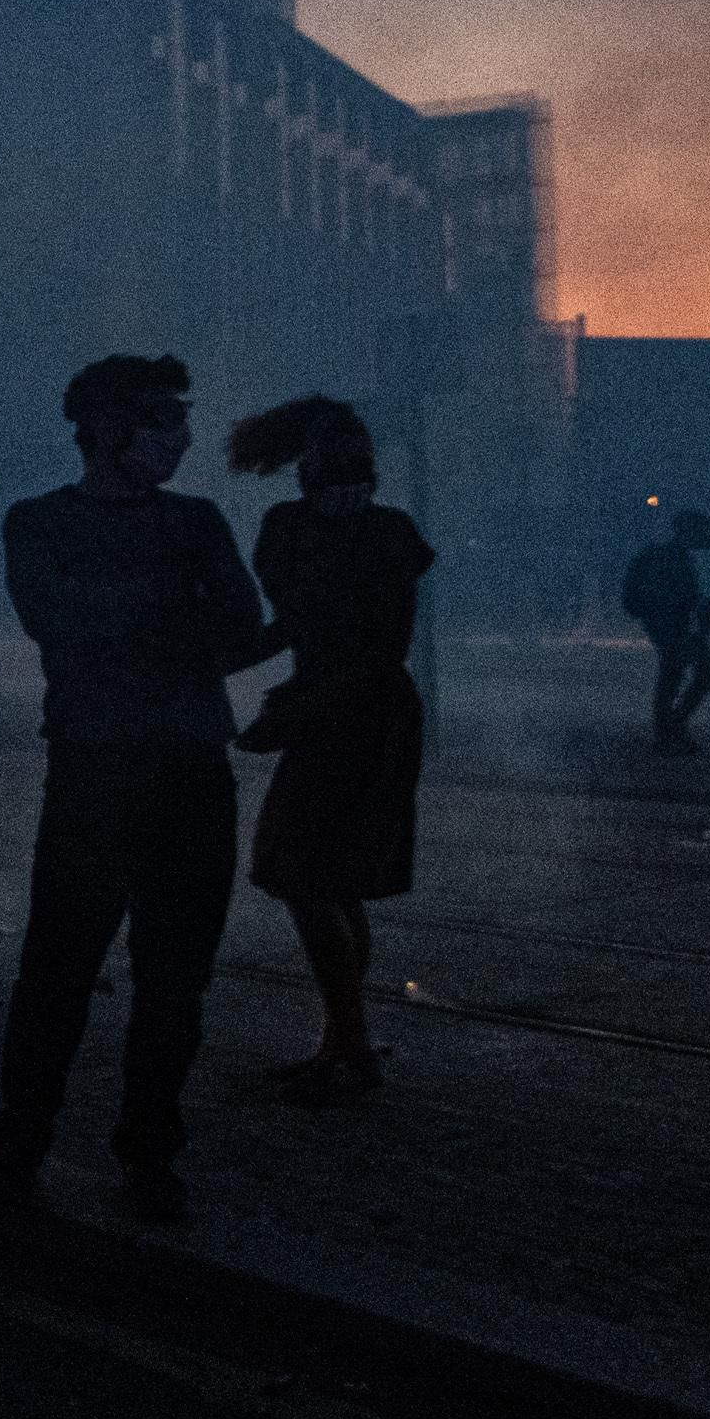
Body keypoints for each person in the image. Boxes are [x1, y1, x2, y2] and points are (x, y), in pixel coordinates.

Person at [0, 353, 272, 1225]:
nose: (175, 437)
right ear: (103, 429)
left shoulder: (186, 520)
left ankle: (139, 1151)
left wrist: (129, 617)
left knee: (172, 982)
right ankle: (25, 1143)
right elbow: (61, 619)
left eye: (176, 419)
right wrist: (173, 610)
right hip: (107, 772)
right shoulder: (47, 523)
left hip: (170, 771)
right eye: (156, 418)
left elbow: (231, 624)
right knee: (59, 972)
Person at [226, 397, 434, 1105]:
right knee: (327, 877)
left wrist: (289, 708)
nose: (347, 489)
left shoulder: (373, 534)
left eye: (358, 477)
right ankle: (342, 1041)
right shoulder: (324, 531)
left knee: (303, 871)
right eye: (332, 477)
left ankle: (347, 1041)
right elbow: (301, 624)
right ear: (308, 478)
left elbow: (370, 648)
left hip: (359, 715)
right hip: (355, 711)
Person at [619, 510, 710, 755]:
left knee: (675, 677)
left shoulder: (674, 557)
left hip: (675, 627)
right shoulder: (672, 559)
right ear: (689, 532)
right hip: (674, 627)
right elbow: (677, 597)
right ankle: (670, 730)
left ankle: (669, 730)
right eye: (701, 531)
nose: (706, 536)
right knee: (686, 676)